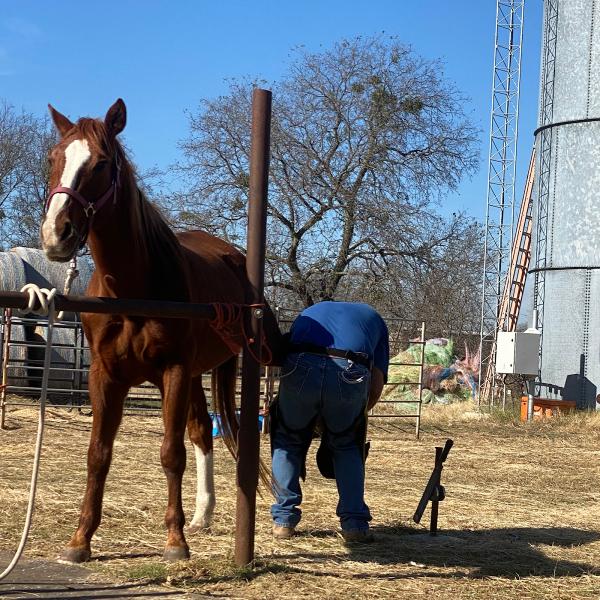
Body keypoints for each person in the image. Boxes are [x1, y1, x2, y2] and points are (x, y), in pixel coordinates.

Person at [270, 301, 389, 543]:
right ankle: (354, 525)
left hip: (300, 364)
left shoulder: (311, 311)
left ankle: (283, 521)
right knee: (347, 446)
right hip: (350, 368)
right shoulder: (375, 319)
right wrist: (349, 420)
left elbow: (284, 357)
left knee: (289, 441)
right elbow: (375, 386)